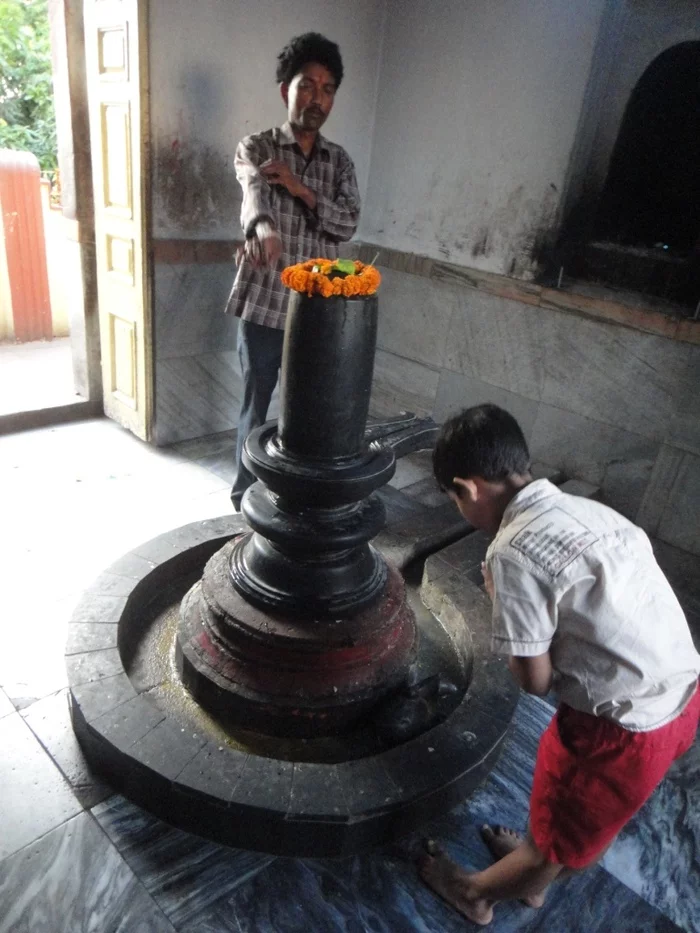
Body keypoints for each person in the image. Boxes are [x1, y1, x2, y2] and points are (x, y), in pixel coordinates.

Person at [420, 403, 700, 926]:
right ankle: (532, 872)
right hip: (680, 699)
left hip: (620, 733)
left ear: (470, 488)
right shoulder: (591, 512)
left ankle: (478, 893)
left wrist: (498, 600)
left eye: (455, 498)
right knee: (581, 819)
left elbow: (533, 682)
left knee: (563, 832)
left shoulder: (513, 552)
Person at [225, 32, 360, 510]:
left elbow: (347, 222)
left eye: (327, 89)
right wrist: (263, 231)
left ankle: (292, 497)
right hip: (265, 300)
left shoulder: (338, 161)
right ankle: (245, 495)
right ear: (286, 90)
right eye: (307, 86)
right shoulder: (258, 146)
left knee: (307, 411)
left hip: (318, 312)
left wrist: (301, 189)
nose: (317, 98)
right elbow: (253, 193)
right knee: (256, 405)